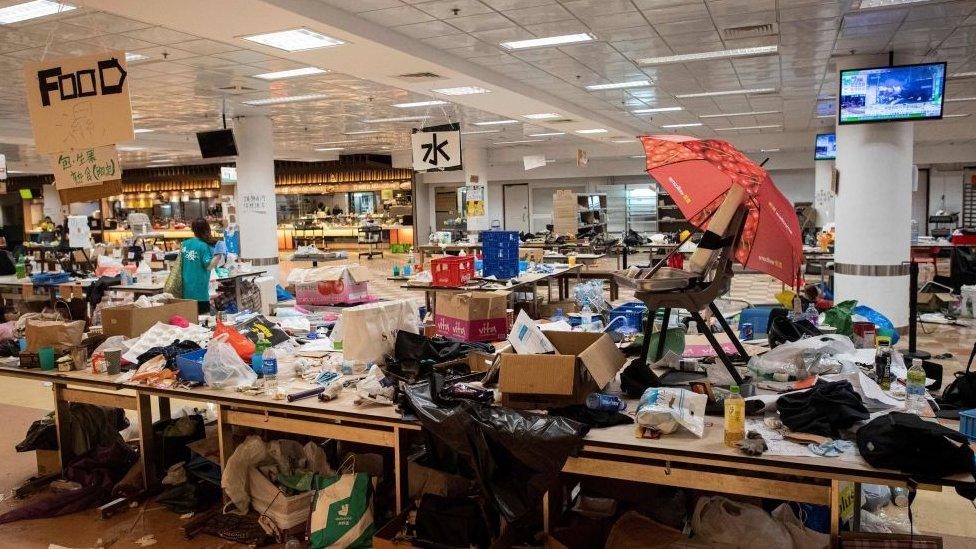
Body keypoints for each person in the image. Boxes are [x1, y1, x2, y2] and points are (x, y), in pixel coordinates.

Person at [181, 218, 220, 315]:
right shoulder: (203, 246)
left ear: (193, 230)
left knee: (189, 319)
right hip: (200, 291)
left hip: (185, 291)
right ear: (207, 229)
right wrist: (219, 255)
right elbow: (209, 266)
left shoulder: (184, 244)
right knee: (203, 320)